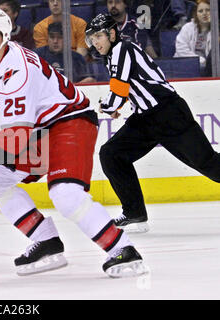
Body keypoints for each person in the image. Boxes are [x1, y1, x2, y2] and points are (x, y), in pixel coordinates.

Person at [0, 8, 148, 278]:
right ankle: (47, 241)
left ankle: (122, 249)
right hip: (39, 128)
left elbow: (15, 138)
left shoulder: (18, 71)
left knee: (66, 194)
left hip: (71, 121)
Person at [85, 13, 220, 233]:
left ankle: (134, 213)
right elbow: (129, 86)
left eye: (99, 36)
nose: (95, 42)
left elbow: (119, 88)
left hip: (168, 114)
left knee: (209, 165)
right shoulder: (113, 55)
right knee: (111, 154)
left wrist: (109, 106)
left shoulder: (122, 49)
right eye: (92, 38)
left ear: (111, 33)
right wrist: (117, 105)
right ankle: (134, 213)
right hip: (146, 119)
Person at [174, 0, 211, 76]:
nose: (204, 13)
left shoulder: (215, 29)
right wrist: (201, 60)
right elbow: (181, 50)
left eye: (208, 10)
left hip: (208, 67)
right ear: (196, 14)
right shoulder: (187, 28)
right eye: (200, 11)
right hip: (186, 64)